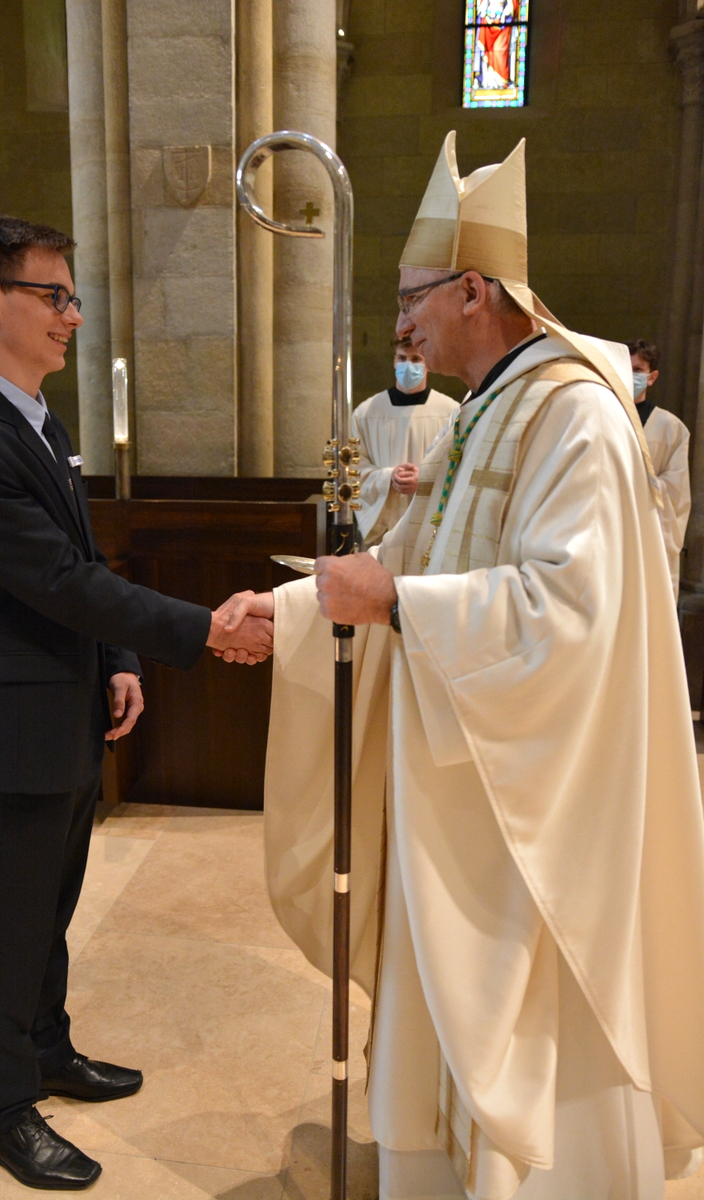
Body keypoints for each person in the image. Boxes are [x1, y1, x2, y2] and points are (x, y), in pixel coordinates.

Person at [223, 133, 704, 1199]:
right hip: (451, 774)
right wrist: (289, 607)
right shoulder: (489, 405)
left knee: (522, 998)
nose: (400, 326)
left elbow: (571, 608)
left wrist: (394, 602)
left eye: (413, 299)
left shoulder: (575, 413)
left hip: (528, 797)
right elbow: (412, 554)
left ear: (473, 290)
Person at [0, 213, 272, 1192]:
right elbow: (54, 582)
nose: (73, 315)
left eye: (72, 297)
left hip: (64, 709)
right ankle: (2, 1109)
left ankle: (47, 1050)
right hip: (9, 722)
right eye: (55, 295)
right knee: (9, 923)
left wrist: (118, 657)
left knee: (52, 905)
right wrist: (203, 629)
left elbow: (80, 561)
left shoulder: (39, 421)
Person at [352, 336, 457, 546]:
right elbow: (353, 468)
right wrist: (387, 478)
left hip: (430, 525)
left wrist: (426, 479)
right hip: (385, 528)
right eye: (402, 358)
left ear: (427, 361)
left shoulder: (450, 411)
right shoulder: (366, 412)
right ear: (394, 361)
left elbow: (459, 465)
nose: (408, 365)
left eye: (416, 359)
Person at [628, 339, 690, 598]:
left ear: (652, 377)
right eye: (626, 367)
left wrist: (635, 482)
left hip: (647, 531)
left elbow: (676, 490)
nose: (630, 374)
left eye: (638, 370)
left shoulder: (670, 428)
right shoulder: (602, 416)